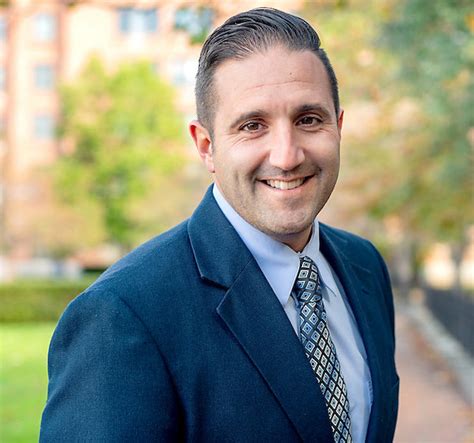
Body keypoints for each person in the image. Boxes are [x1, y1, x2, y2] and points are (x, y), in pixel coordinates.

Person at [40, 7, 398, 443]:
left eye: (308, 119)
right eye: (253, 125)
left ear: (338, 127)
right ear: (206, 146)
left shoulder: (364, 267)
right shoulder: (121, 316)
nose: (287, 156)